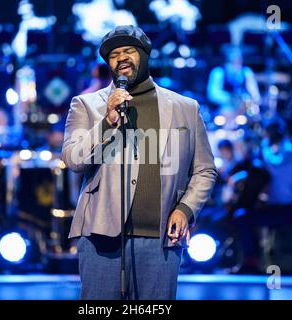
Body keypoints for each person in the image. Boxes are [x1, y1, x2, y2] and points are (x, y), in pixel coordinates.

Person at [62, 25, 217, 300]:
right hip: (101, 237)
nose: (121, 58)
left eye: (128, 51)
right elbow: (73, 160)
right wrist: (107, 123)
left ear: (145, 55)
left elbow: (204, 170)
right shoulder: (86, 105)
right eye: (113, 54)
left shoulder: (186, 108)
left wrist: (185, 209)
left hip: (160, 241)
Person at [207, 46, 260, 126]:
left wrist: (248, 101)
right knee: (226, 111)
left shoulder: (246, 72)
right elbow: (212, 94)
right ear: (227, 62)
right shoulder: (218, 72)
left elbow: (255, 95)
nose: (236, 66)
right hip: (223, 110)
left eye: (238, 62)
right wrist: (231, 98)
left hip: (244, 110)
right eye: (233, 63)